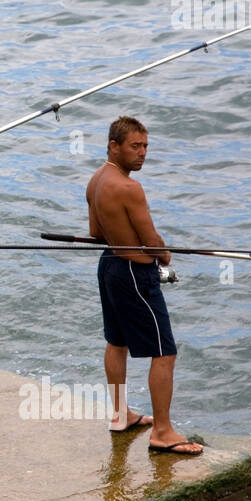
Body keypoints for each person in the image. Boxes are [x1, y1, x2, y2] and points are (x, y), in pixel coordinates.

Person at [86, 116, 202, 455]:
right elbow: (151, 242)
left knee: (116, 342)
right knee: (164, 352)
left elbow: (95, 232)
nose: (142, 154)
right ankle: (163, 432)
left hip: (109, 266)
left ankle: (120, 414)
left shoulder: (96, 181)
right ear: (114, 146)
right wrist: (165, 255)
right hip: (136, 276)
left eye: (146, 146)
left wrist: (120, 235)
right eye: (135, 146)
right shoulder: (130, 188)